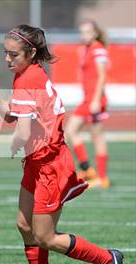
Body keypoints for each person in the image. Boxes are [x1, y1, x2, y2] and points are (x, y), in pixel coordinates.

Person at [0, 24, 123, 264]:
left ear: (31, 52)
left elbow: (20, 131)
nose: (7, 60)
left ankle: (107, 258)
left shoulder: (28, 78)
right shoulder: (25, 73)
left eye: (13, 55)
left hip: (50, 165)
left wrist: (15, 142)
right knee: (24, 224)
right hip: (36, 162)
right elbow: (13, 117)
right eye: (5, 54)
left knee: (45, 236)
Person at [65, 19, 110, 189]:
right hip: (87, 100)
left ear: (95, 33)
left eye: (88, 32)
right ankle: (87, 169)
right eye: (82, 32)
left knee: (97, 136)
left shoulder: (98, 49)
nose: (84, 35)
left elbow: (102, 76)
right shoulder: (86, 49)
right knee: (70, 130)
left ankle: (102, 178)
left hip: (95, 100)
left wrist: (97, 100)